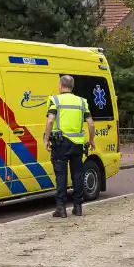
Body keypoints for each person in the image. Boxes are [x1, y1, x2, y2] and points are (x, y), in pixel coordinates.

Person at [43, 75, 95, 218]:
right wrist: (91, 140)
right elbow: (91, 123)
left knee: (61, 175)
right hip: (77, 144)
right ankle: (78, 207)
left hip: (60, 144)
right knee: (77, 174)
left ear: (60, 85)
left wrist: (46, 139)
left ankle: (61, 208)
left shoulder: (55, 100)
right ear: (72, 87)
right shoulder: (82, 102)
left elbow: (50, 121)